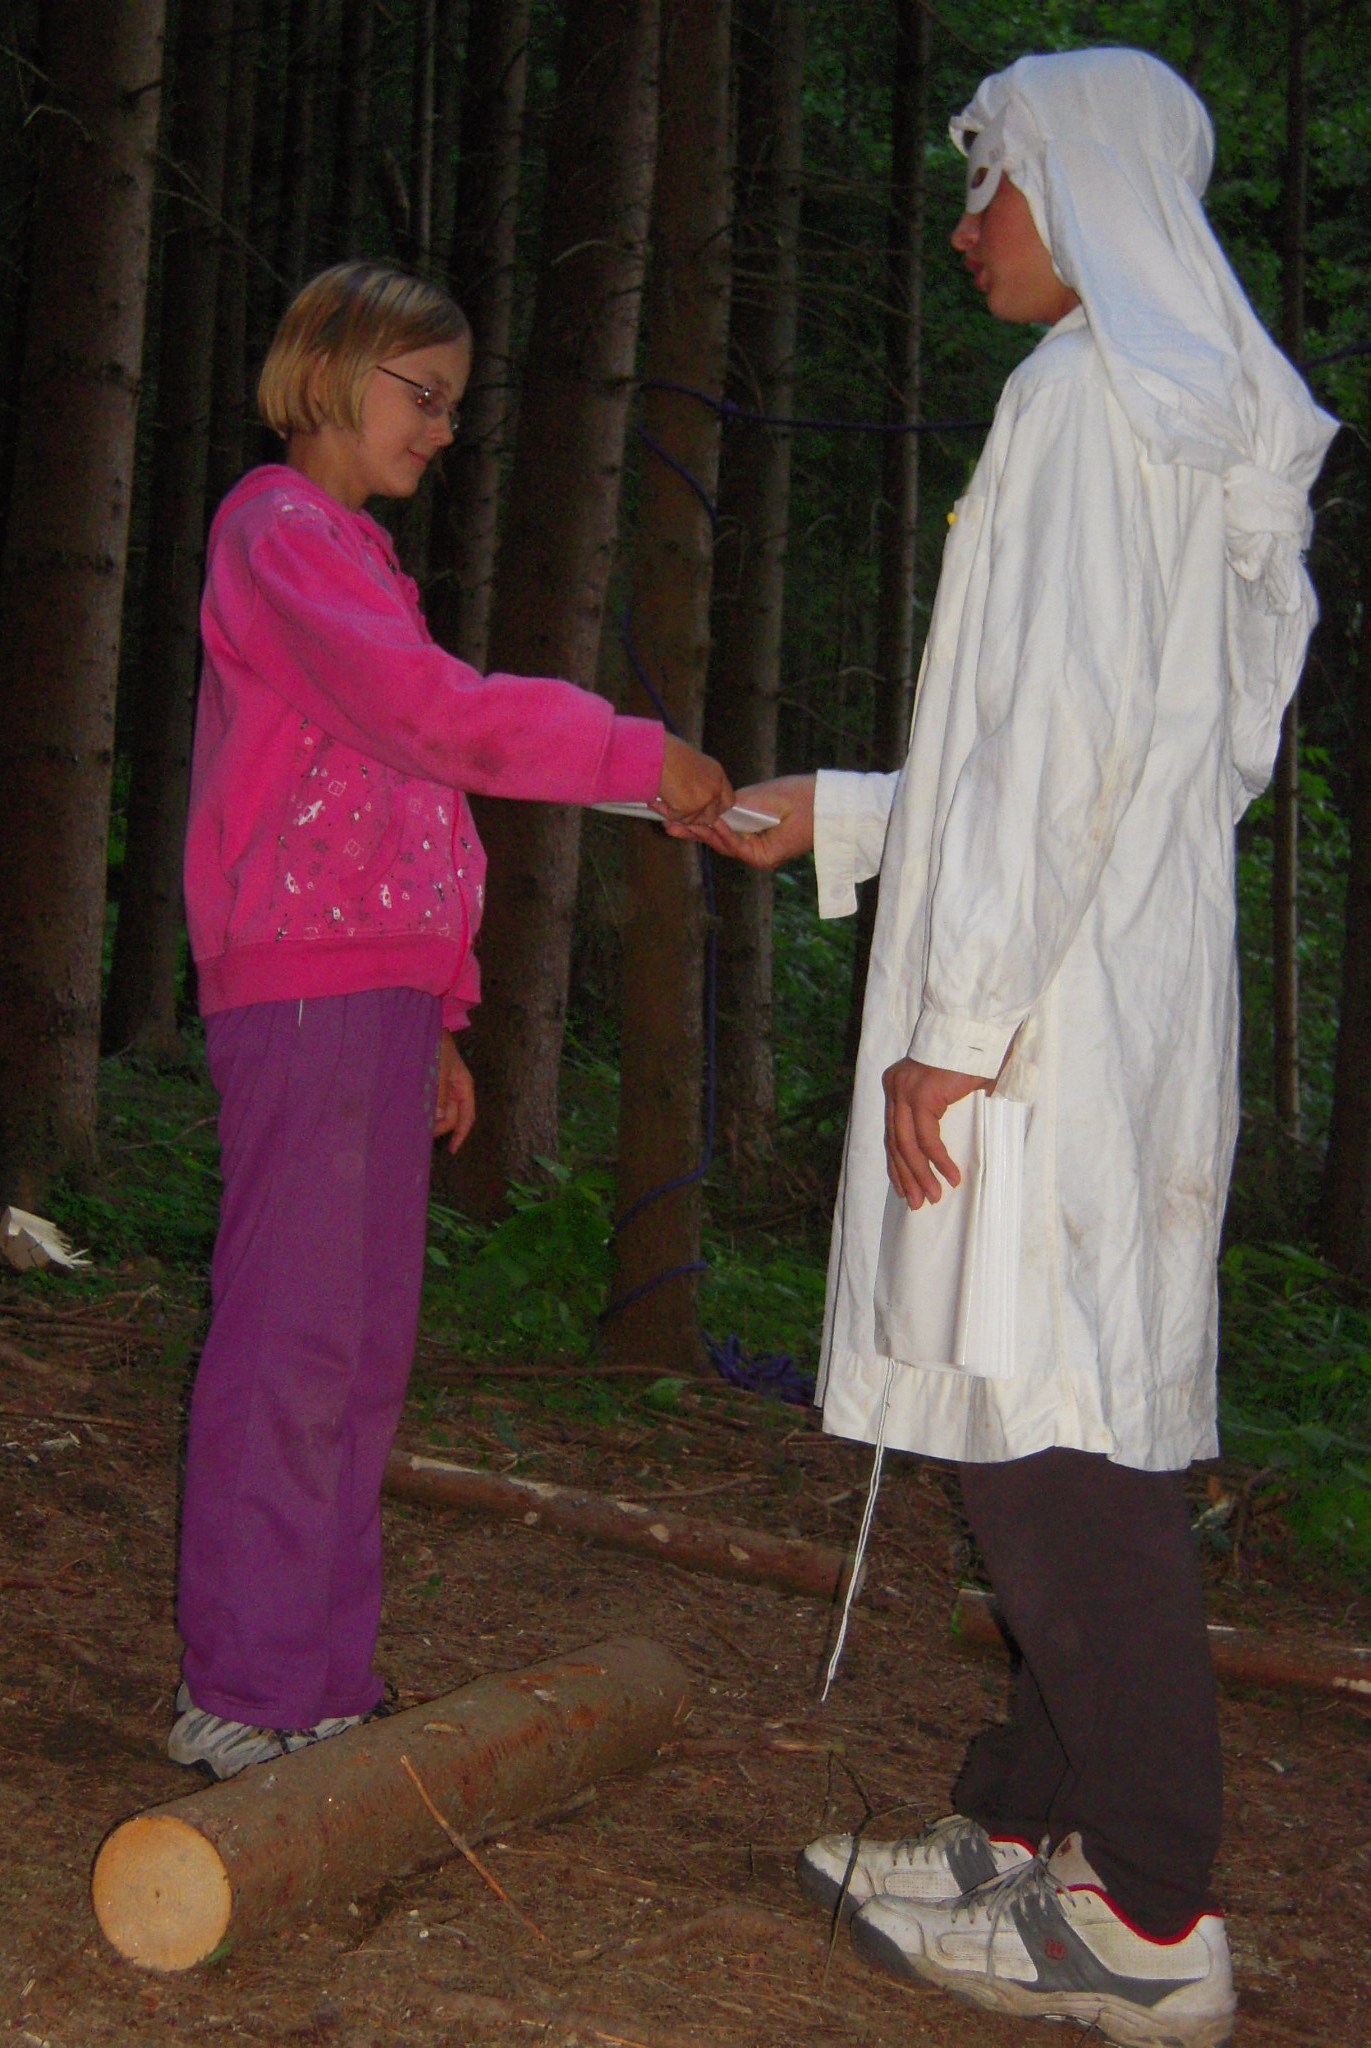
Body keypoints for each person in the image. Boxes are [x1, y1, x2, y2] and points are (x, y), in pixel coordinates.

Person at [700, 48, 1335, 2048]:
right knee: (1046, 1421)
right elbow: (1108, 764)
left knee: (1050, 1452)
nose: (965, 222)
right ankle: (1022, 1825)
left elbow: (1055, 752)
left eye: (988, 184)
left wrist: (955, 1023)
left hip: (1042, 1023)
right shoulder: (1185, 418)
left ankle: (1141, 1905)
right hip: (1106, 992)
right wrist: (848, 812)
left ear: (1073, 192)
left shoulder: (1080, 402)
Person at [171, 260, 732, 1780]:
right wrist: (632, 757)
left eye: (454, 408)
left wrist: (440, 1012)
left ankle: (318, 1683)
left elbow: (403, 808)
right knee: (291, 1341)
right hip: (300, 987)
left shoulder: (352, 556)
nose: (439, 430)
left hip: (369, 993)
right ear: (331, 368)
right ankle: (245, 1687)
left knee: (360, 1354)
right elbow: (433, 720)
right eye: (421, 395)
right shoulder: (277, 533)